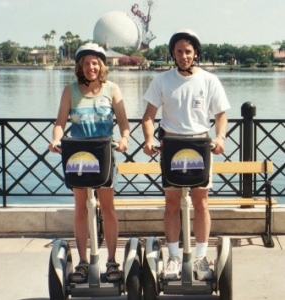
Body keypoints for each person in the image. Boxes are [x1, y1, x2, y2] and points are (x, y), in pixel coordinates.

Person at [142, 29, 231, 281]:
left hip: (200, 145)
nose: (183, 56)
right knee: (171, 203)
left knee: (201, 202)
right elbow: (148, 115)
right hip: (171, 145)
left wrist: (220, 137)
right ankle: (173, 257)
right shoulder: (162, 81)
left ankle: (201, 258)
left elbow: (221, 115)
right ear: (173, 53)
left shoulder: (209, 80)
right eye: (179, 51)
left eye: (188, 51)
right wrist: (149, 139)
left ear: (196, 53)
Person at [48, 43, 130, 283]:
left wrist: (124, 139)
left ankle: (112, 260)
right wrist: (56, 139)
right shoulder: (70, 91)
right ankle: (83, 262)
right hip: (79, 157)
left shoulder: (112, 89)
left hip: (104, 154)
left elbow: (124, 125)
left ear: (101, 66)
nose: (90, 67)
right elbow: (60, 123)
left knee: (108, 208)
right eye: (86, 63)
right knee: (81, 209)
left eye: (95, 63)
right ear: (80, 67)